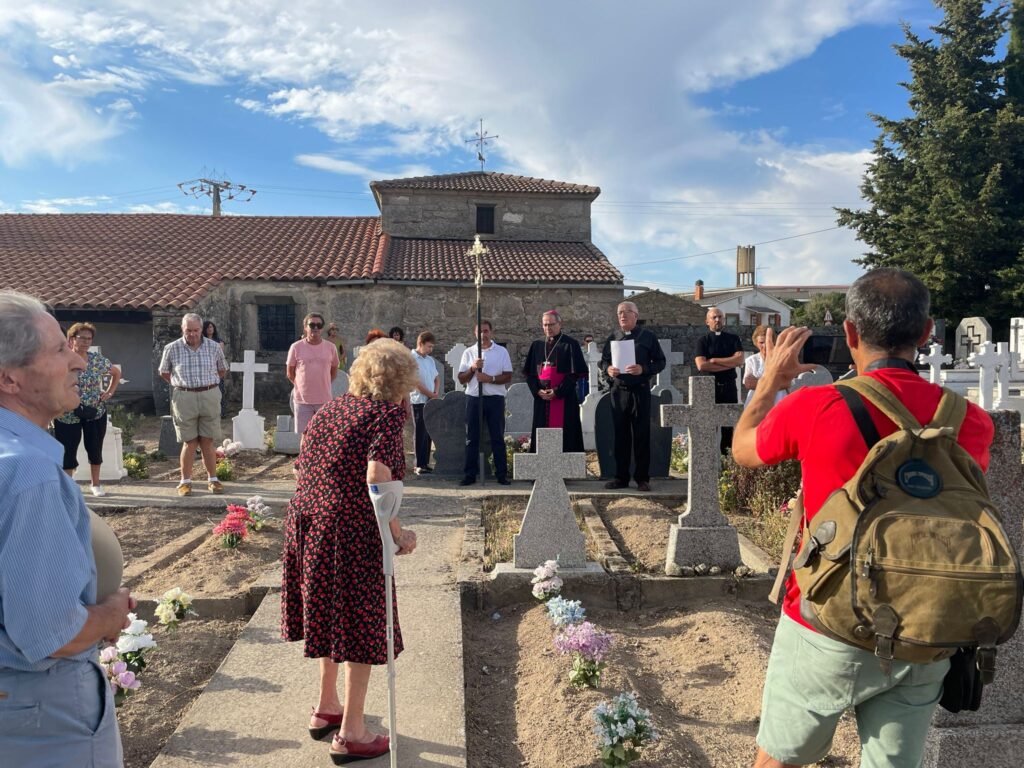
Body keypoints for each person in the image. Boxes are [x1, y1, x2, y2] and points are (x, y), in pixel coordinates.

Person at [731, 268, 994, 768]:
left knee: (781, 760)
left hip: (827, 618)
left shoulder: (817, 406)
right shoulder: (969, 420)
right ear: (926, 333)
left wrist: (770, 380)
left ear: (850, 333)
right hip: (926, 625)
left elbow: (744, 450)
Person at [0, 290, 136, 767]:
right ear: (10, 378)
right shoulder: (26, 473)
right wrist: (111, 614)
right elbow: (51, 633)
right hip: (38, 714)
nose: (79, 362)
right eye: (60, 350)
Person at [281, 338, 418, 763]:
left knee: (325, 613)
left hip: (310, 523)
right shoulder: (385, 415)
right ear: (401, 379)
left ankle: (327, 707)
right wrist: (397, 533)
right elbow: (378, 479)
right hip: (351, 532)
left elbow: (301, 464)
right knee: (359, 626)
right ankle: (352, 733)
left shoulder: (329, 409)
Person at [599, 301, 666, 492]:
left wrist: (643, 368)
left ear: (636, 315)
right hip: (618, 392)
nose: (623, 315)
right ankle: (620, 478)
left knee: (641, 435)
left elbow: (660, 362)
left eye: (627, 312)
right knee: (620, 436)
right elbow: (603, 361)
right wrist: (608, 369)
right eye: (620, 312)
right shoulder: (613, 336)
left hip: (640, 391)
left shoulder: (648, 337)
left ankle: (642, 478)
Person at [158, 312, 227, 496]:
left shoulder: (213, 347)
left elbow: (222, 370)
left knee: (207, 440)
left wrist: (207, 385)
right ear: (182, 329)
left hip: (209, 394)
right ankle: (185, 482)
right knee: (189, 441)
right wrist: (182, 384)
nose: (193, 334)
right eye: (188, 330)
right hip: (184, 397)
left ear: (201, 329)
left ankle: (213, 480)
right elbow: (164, 372)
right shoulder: (171, 348)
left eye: (196, 330)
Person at [52, 322, 121, 497]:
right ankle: (68, 487)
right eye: (82, 338)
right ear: (72, 339)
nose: (85, 342)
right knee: (68, 450)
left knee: (95, 448)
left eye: (89, 339)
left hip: (94, 410)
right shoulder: (62, 359)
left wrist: (110, 392)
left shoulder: (97, 360)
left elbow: (115, 373)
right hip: (68, 412)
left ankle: (95, 484)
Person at [457, 320, 513, 486]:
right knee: (472, 438)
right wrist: (473, 369)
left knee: (497, 436)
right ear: (475, 333)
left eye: (486, 331)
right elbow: (461, 378)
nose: (483, 334)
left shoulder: (501, 351)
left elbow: (508, 375)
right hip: (474, 398)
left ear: (491, 332)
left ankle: (501, 474)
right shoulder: (469, 352)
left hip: (495, 399)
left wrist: (490, 379)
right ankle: (470, 474)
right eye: (480, 331)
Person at [523, 310, 587, 452]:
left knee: (567, 435)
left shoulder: (570, 344)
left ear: (560, 324)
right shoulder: (537, 345)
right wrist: (537, 390)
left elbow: (574, 374)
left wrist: (557, 392)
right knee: (541, 432)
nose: (548, 328)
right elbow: (530, 374)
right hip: (542, 399)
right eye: (545, 325)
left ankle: (567, 469)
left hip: (564, 399)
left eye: (551, 324)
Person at [694, 307, 744, 454]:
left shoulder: (733, 339)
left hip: (729, 388)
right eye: (714, 317)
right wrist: (730, 363)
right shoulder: (702, 341)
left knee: (728, 428)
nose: (718, 320)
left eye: (720, 317)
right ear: (707, 321)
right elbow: (702, 365)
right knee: (709, 427)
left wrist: (715, 361)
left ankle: (726, 464)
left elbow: (740, 359)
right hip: (709, 388)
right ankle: (708, 464)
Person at [287, 313, 340, 436]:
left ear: (322, 328)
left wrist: (322, 383)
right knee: (305, 437)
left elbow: (334, 370)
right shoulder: (296, 347)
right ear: (305, 327)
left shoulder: (331, 347)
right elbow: (290, 372)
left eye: (319, 325)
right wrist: (301, 387)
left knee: (323, 436)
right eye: (312, 325)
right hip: (302, 401)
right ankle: (304, 456)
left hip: (324, 400)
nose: (315, 328)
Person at [410, 331, 440, 475]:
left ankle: (426, 463)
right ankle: (418, 464)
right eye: (428, 346)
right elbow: (415, 382)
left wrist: (435, 393)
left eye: (432, 347)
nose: (430, 350)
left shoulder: (430, 360)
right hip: (419, 400)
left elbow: (437, 378)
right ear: (420, 344)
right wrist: (430, 394)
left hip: (430, 399)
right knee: (420, 431)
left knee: (428, 432)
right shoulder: (411, 359)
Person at [742, 324, 786, 408]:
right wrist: (774, 383)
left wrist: (759, 382)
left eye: (768, 341)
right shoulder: (752, 360)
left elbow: (786, 383)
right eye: (761, 342)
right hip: (756, 402)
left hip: (778, 401)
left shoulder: (782, 359)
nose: (765, 346)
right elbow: (748, 384)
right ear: (756, 343)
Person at [203, 320, 227, 417]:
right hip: (205, 369)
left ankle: (221, 413)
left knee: (219, 391)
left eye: (211, 327)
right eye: (208, 327)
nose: (210, 329)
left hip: (216, 369)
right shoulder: (201, 341)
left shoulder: (219, 342)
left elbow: (220, 356)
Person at [577, 333, 596, 402]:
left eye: (591, 341)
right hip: (583, 376)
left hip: (593, 376)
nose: (589, 343)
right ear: (584, 342)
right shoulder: (580, 351)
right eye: (588, 341)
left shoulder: (595, 351)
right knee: (583, 394)